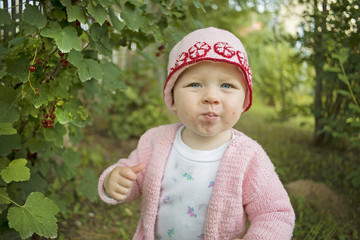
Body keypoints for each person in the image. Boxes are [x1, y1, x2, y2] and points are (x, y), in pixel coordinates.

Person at [98, 27, 295, 240]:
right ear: (172, 98)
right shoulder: (155, 141)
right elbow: (131, 176)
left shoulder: (249, 157)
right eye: (195, 84)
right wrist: (115, 181)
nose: (211, 97)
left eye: (227, 85)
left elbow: (274, 213)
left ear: (245, 100)